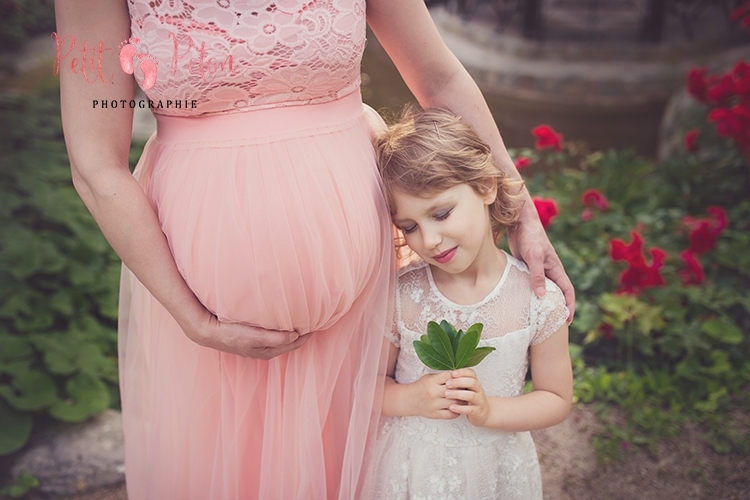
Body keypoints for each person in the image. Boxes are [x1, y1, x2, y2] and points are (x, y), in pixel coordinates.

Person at [54, 0, 574, 498]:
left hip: (362, 290)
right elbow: (96, 162)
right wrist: (193, 318)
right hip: (203, 310)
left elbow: (439, 79)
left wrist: (521, 210)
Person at [362, 106, 573, 499]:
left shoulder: (537, 299)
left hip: (493, 470)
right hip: (412, 468)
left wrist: (491, 411)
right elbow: (365, 389)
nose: (430, 240)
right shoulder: (401, 296)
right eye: (409, 227)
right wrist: (410, 397)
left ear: (487, 187)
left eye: (441, 213)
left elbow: (556, 399)